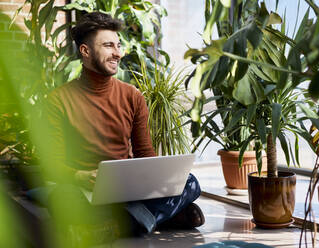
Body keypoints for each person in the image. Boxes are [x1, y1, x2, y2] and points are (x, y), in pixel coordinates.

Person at [37, 11, 204, 244]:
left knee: (190, 182)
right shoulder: (58, 101)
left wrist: (152, 178)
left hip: (129, 189)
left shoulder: (132, 96)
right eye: (108, 45)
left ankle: (116, 226)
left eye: (118, 45)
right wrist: (80, 175)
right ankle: (162, 217)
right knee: (62, 199)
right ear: (85, 51)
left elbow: (145, 154)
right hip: (84, 190)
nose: (118, 53)